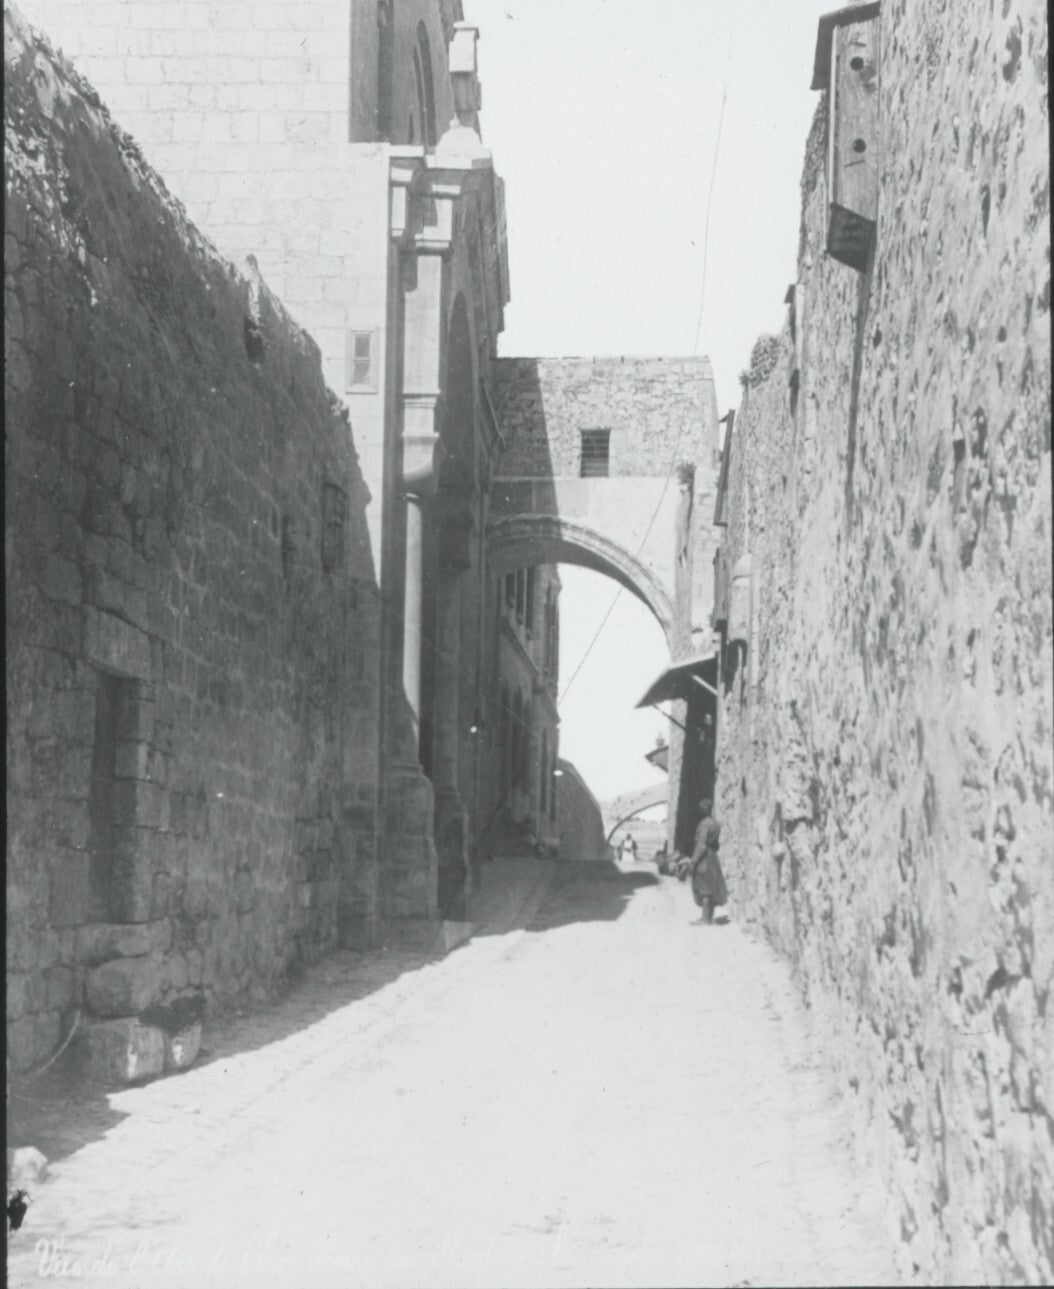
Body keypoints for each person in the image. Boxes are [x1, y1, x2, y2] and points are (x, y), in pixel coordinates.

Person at [689, 798, 727, 925]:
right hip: (713, 857)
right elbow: (716, 845)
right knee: (712, 886)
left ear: (705, 809)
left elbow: (701, 845)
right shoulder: (715, 824)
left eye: (701, 808)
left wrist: (693, 861)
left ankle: (705, 919)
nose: (700, 810)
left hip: (704, 858)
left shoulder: (704, 824)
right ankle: (710, 917)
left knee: (704, 887)